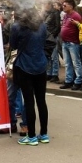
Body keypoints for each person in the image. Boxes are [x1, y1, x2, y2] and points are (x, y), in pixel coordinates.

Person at [9, 8, 49, 146]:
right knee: (41, 101)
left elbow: (13, 46)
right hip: (41, 65)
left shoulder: (17, 27)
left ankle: (31, 136)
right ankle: (43, 134)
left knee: (29, 101)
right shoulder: (42, 25)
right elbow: (45, 42)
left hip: (24, 66)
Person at [0, 8, 26, 136]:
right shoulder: (11, 27)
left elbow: (47, 43)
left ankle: (25, 125)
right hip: (10, 65)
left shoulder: (33, 28)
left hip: (23, 65)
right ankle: (10, 123)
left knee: (25, 96)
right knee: (9, 95)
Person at [59, 0, 82, 90]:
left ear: (71, 6)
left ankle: (78, 81)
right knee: (67, 63)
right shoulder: (65, 15)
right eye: (63, 5)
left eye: (65, 5)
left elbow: (80, 28)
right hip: (65, 42)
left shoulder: (76, 15)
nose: (63, 7)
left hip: (73, 42)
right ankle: (68, 80)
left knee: (76, 63)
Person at [44, 1, 62, 83]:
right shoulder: (46, 13)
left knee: (54, 57)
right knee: (48, 56)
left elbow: (57, 26)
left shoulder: (55, 13)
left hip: (52, 37)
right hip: (47, 37)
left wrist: (52, 36)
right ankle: (49, 73)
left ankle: (54, 74)